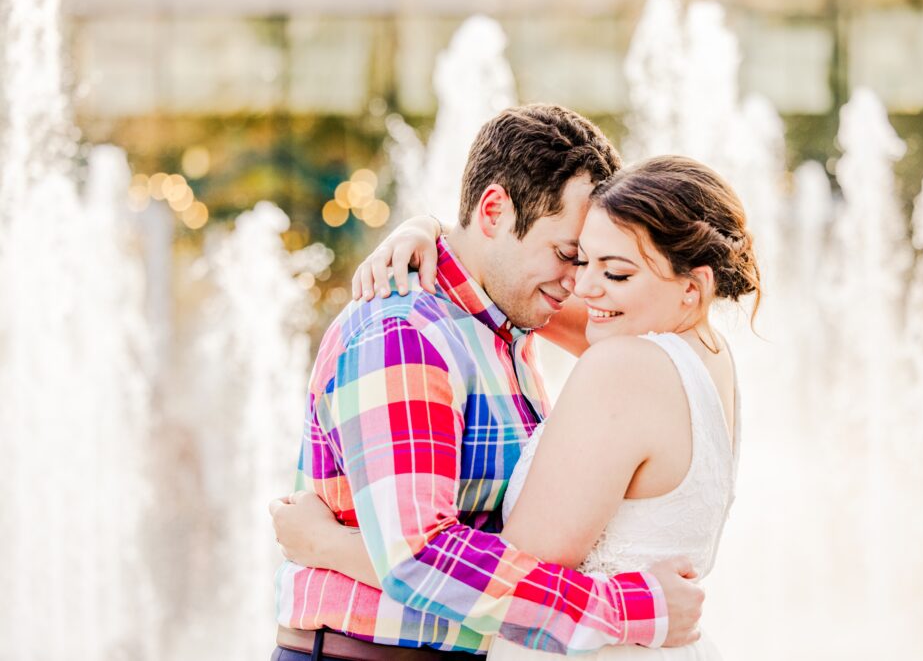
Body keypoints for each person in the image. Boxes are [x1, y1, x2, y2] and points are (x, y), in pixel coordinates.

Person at [274, 154, 761, 659]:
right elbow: (494, 279)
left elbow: (509, 568)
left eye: (614, 272)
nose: (582, 285)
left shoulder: (624, 366)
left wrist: (327, 546)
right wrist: (435, 231)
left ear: (693, 287)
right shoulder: (706, 357)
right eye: (577, 258)